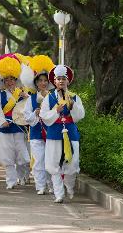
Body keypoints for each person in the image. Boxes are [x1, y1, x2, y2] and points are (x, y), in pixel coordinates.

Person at [39, 65, 85, 203]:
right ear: (54, 81)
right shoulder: (49, 97)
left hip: (70, 132)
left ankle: (69, 186)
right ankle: (59, 193)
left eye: (63, 79)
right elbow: (43, 115)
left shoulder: (75, 97)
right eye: (58, 79)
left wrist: (73, 107)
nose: (61, 81)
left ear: (68, 81)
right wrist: (56, 111)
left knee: (72, 163)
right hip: (54, 133)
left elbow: (80, 115)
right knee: (53, 164)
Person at [0, 54, 30, 189]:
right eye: (6, 80)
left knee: (21, 154)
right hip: (6, 128)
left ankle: (22, 176)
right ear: (3, 81)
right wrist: (2, 122)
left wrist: (26, 97)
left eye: (12, 79)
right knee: (7, 155)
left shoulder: (22, 94)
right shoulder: (0, 95)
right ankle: (10, 181)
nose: (9, 82)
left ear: (16, 79)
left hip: (19, 127)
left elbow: (28, 108)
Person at [22, 55, 55, 195]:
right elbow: (26, 115)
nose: (42, 83)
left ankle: (52, 184)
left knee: (51, 160)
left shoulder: (53, 97)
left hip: (51, 133)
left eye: (45, 80)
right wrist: (35, 114)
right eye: (40, 80)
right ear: (36, 83)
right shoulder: (32, 99)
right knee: (39, 160)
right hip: (36, 133)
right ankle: (40, 185)